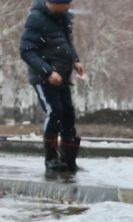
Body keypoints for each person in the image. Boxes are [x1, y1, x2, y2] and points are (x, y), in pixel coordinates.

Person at [20, 0, 85, 180]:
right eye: (66, 4)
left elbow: (66, 42)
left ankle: (68, 161)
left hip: (63, 75)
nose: (69, 7)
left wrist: (75, 60)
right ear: (53, 3)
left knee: (68, 115)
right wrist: (48, 71)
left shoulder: (63, 17)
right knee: (54, 112)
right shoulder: (36, 19)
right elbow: (26, 50)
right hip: (43, 77)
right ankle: (51, 159)